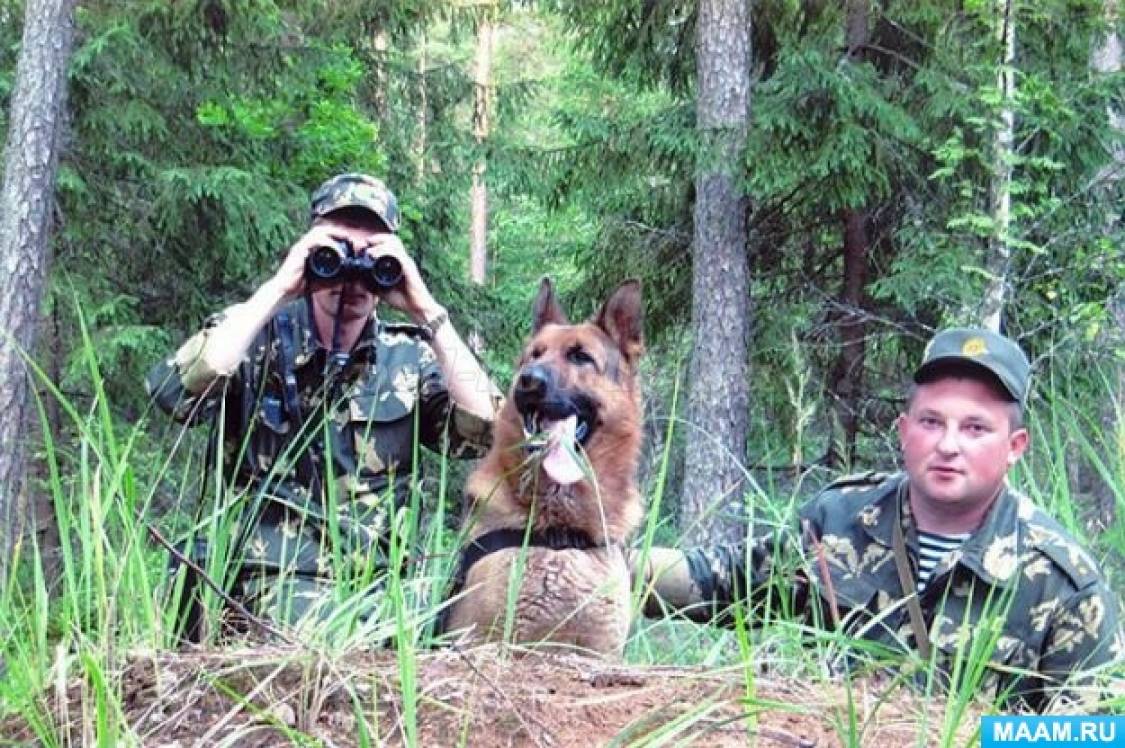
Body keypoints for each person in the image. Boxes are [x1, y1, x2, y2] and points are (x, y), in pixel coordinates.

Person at [638, 328, 1123, 712]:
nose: (948, 445)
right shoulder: (842, 520)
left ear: (1015, 447)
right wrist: (598, 570)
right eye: (932, 422)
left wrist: (971, 734)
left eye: (975, 427)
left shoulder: (1061, 583)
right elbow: (726, 581)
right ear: (905, 431)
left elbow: (1092, 732)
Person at [146, 173, 499, 639]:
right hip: (270, 579)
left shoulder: (409, 357)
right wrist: (279, 288)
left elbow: (487, 429)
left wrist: (425, 309)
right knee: (339, 636)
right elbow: (174, 392)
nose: (351, 275)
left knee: (457, 627)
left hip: (383, 586)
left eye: (370, 251)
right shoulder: (254, 338)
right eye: (336, 248)